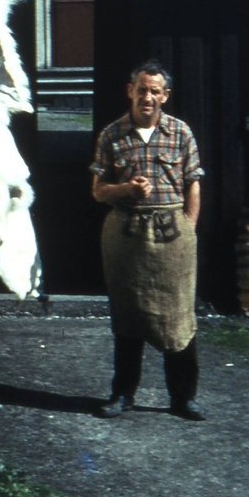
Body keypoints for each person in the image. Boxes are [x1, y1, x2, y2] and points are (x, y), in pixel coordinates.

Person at [90, 60, 206, 421]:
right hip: (126, 236)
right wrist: (126, 189)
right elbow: (97, 191)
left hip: (174, 238)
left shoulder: (181, 133)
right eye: (142, 89)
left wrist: (188, 225)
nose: (148, 97)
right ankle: (122, 394)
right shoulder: (112, 135)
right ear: (130, 91)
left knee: (179, 319)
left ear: (165, 96)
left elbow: (193, 183)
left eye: (155, 91)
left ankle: (182, 398)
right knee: (128, 318)